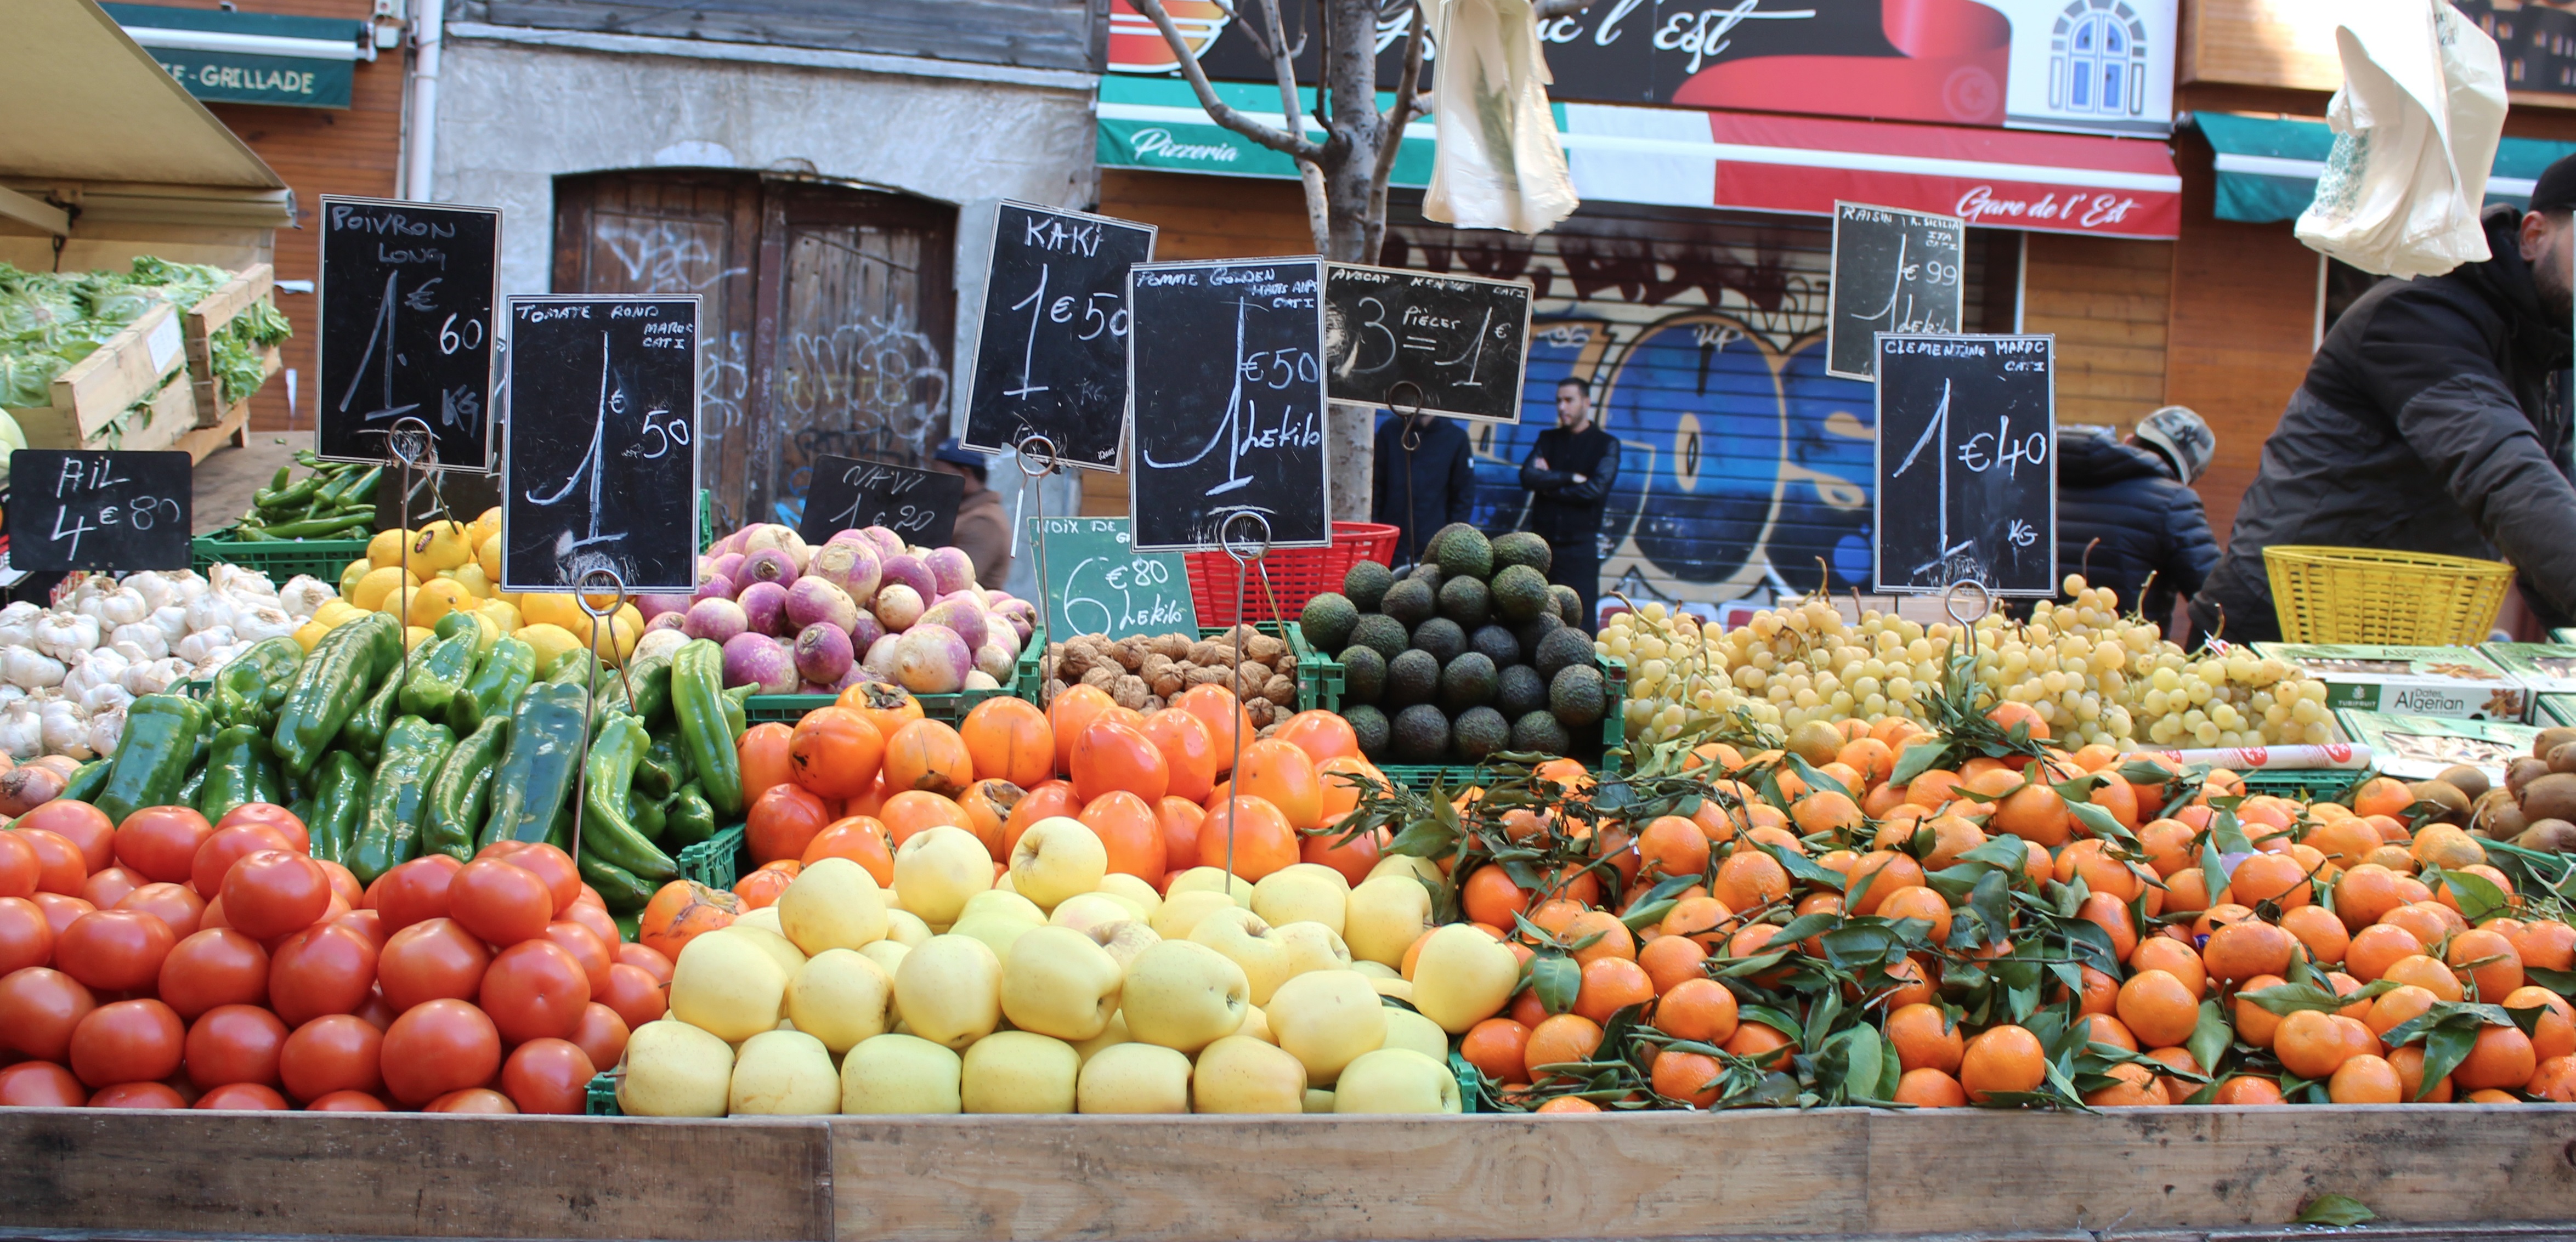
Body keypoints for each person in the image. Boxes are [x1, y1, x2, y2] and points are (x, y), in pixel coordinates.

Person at [2193, 157, 2576, 643]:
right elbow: (2500, 468)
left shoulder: (2550, 354)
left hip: (2403, 640)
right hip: (2277, 631)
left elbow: (2555, 504)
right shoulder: (2421, 313)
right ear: (2533, 236)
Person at [2054, 406, 2218, 636]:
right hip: (2123, 662)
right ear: (2187, 477)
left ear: (2129, 439)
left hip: (2022, 653)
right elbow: (2217, 600)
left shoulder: (2035, 475)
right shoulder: (2175, 502)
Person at [1520, 376, 1620, 632]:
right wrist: (1570, 478)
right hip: (1542, 549)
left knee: (1581, 625)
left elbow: (1595, 490)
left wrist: (1549, 486)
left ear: (1586, 402)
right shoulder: (1548, 439)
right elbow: (1528, 476)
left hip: (1580, 552)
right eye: (1558, 401)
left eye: (1569, 400)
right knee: (1533, 620)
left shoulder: (1606, 445)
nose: (1562, 407)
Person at [1371, 407, 1474, 570]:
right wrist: (1375, 537)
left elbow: (1463, 497)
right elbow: (1375, 487)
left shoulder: (1456, 438)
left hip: (1433, 549)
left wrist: (1451, 544)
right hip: (1390, 546)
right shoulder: (1390, 431)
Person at [927, 438, 1012, 589]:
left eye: (940, 475)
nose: (935, 482)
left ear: (965, 473)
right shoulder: (965, 513)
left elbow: (956, 581)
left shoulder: (985, 522)